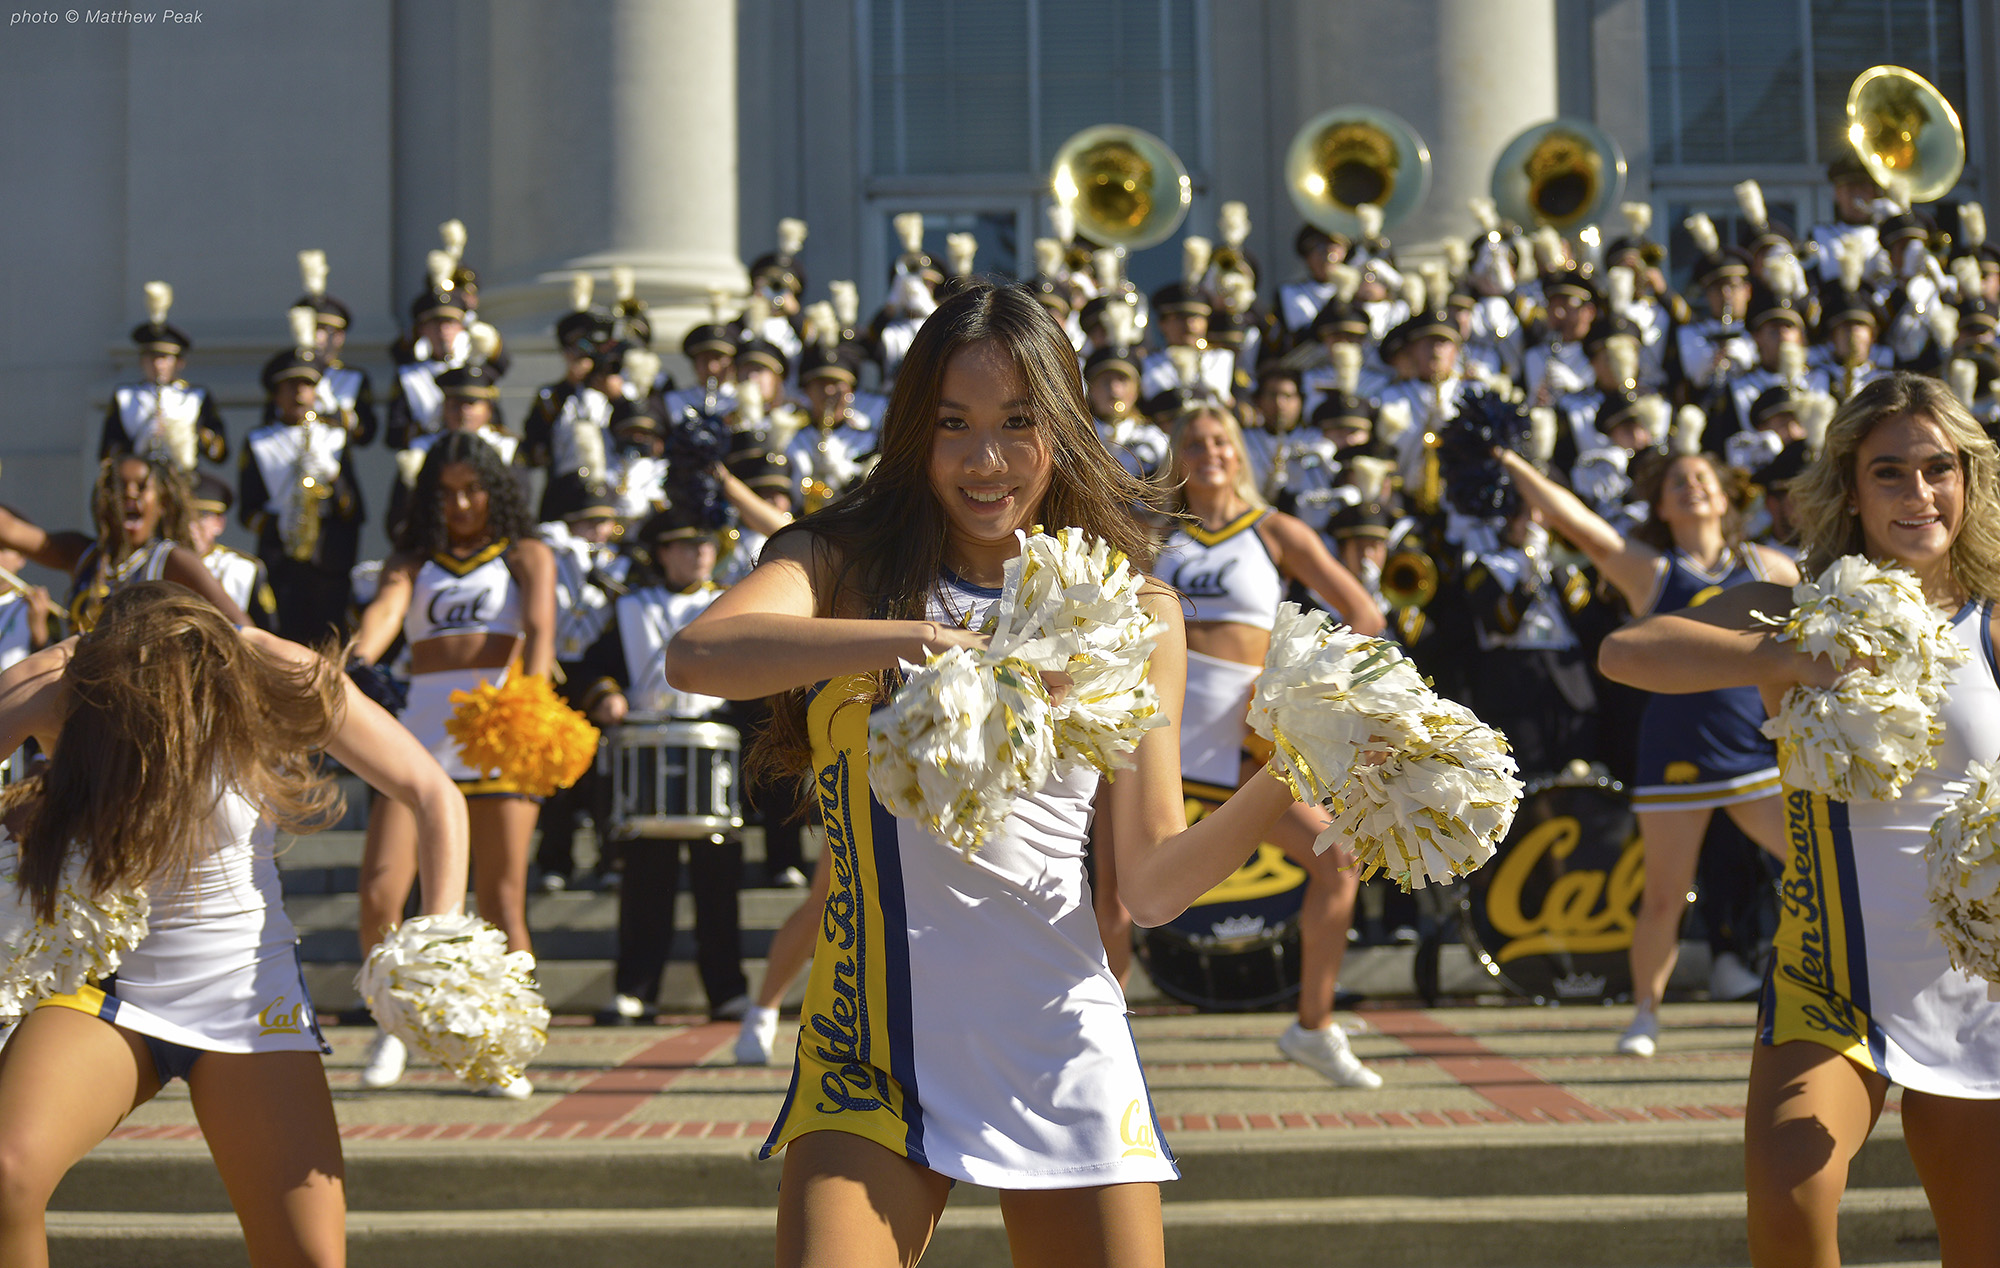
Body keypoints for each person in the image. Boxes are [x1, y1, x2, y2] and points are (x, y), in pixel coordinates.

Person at [666, 282, 1349, 1267]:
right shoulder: (837, 564)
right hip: (871, 1052)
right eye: (952, 425)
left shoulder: (1134, 604)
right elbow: (698, 654)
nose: (985, 460)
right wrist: (919, 638)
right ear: (912, 430)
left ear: (1063, 426)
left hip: (1058, 1038)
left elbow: (1150, 881)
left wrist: (1294, 767)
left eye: (1017, 423)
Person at [1597, 373, 2000, 1267]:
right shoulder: (1796, 607)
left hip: (1980, 991)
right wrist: (1791, 656)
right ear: (1850, 489)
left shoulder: (1993, 621)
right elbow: (1627, 653)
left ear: (1969, 482)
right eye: (1889, 472)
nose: (1919, 493)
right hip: (1831, 981)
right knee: (1791, 1195)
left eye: (1940, 468)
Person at [0, 580, 468, 1268]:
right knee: (7, 1173)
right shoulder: (66, 680)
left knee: (308, 1256)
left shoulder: (268, 670)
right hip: (108, 993)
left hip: (248, 995)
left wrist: (441, 942)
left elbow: (431, 791)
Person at [1500, 443, 1800, 1055]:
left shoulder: (1771, 566)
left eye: (1702, 477)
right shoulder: (1654, 572)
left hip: (1753, 754)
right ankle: (1644, 1014)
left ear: (1725, 494)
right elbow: (1574, 521)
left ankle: (1820, 989)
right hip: (1674, 753)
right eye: (1677, 482)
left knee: (1815, 870)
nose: (1691, 487)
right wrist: (1512, 460)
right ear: (1661, 504)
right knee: (1664, 894)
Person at [1140, 403, 1387, 1087]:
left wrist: (1307, 683)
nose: (1208, 450)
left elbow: (1365, 613)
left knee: (1337, 858)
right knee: (1110, 897)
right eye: (1194, 441)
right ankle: (1092, 1045)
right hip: (1160, 739)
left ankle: (1313, 1025)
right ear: (1177, 457)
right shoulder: (1157, 535)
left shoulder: (1274, 530)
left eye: (1220, 440)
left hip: (1247, 743)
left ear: (1238, 453)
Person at [347, 432, 555, 1097]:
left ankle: (502, 1045)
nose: (462, 503)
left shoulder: (526, 555)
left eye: (473, 489)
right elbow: (380, 621)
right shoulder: (410, 564)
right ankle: (393, 1023)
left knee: (500, 900)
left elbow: (542, 635)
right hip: (418, 742)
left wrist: (530, 704)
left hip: (501, 733)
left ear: (494, 490)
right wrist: (343, 666)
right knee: (381, 891)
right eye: (448, 493)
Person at [575, 507, 749, 1025]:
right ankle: (635, 990)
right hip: (647, 750)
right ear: (661, 554)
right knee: (645, 882)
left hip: (711, 749)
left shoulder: (732, 602)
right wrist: (604, 695)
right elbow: (590, 665)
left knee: (718, 880)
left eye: (705, 545)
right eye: (684, 545)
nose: (699, 553)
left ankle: (727, 991)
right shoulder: (630, 608)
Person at [0, 454, 249, 634]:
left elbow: (242, 627)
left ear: (162, 503)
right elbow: (10, 529)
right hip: (81, 695)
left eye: (141, 487)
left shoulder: (172, 560)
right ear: (102, 501)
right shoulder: (82, 555)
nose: (130, 494)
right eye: (119, 487)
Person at [239, 344, 366, 645]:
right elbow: (248, 510)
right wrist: (278, 524)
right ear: (275, 394)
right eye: (290, 385)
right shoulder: (259, 442)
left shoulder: (333, 438)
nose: (299, 393)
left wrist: (333, 476)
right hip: (282, 559)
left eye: (307, 385)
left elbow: (353, 509)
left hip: (329, 559)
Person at [99, 283, 227, 472]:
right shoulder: (124, 397)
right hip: (138, 474)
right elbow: (108, 451)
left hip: (183, 474)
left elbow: (219, 453)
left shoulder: (196, 396)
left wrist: (193, 435)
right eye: (151, 358)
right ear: (142, 361)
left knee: (216, 499)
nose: (158, 365)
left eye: (165, 358)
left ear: (179, 363)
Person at [188, 474, 278, 632]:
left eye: (200, 517)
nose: (190, 526)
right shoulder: (156, 560)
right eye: (183, 516)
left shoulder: (242, 569)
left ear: (219, 523)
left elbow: (266, 631)